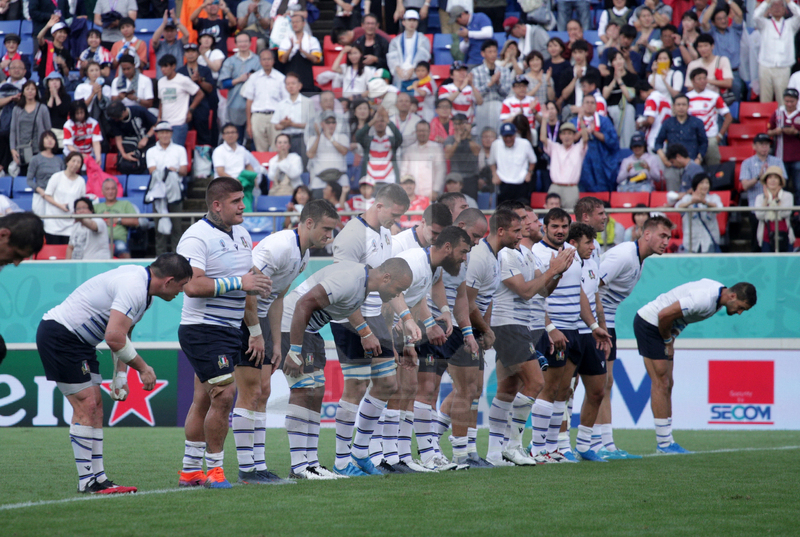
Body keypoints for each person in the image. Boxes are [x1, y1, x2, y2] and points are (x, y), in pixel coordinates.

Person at [37, 253, 192, 493]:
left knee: (96, 406)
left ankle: (98, 478)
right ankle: (86, 482)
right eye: (182, 285)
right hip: (61, 336)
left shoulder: (144, 288)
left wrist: (120, 376)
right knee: (86, 405)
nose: (181, 292)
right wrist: (143, 368)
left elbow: (123, 333)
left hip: (81, 343)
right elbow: (113, 337)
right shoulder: (134, 286)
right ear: (169, 280)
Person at [176, 178, 272, 489]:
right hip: (203, 329)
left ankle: (190, 470)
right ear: (217, 205)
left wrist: (255, 331)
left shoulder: (243, 235)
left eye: (242, 199)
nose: (243, 205)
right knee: (225, 395)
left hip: (233, 329)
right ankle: (215, 470)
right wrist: (238, 283)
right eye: (235, 201)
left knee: (203, 399)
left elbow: (250, 286)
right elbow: (192, 286)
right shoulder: (195, 238)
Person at [236, 200, 340, 482]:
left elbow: (277, 298)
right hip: (243, 321)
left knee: (264, 392)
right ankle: (248, 469)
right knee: (249, 393)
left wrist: (277, 344)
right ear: (308, 223)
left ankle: (258, 466)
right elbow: (249, 290)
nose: (329, 237)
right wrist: (256, 333)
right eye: (326, 229)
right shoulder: (280, 246)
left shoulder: (303, 255)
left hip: (263, 325)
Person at [282, 255, 413, 476]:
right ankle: (298, 466)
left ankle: (311, 464)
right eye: (398, 289)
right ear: (386, 277)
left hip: (310, 330)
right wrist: (294, 350)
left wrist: (366, 333)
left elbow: (345, 306)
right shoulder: (351, 279)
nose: (396, 295)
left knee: (316, 390)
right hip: (292, 325)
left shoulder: (362, 285)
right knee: (304, 390)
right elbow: (302, 303)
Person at [330, 183, 410, 476]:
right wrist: (363, 330)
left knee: (389, 384)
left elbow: (387, 285)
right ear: (379, 205)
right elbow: (343, 288)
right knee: (356, 386)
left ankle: (360, 453)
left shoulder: (386, 234)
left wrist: (402, 317)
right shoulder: (352, 235)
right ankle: (341, 463)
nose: (396, 221)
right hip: (351, 318)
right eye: (394, 214)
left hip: (378, 317)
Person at [486, 202, 573, 466]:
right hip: (508, 324)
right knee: (535, 383)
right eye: (528, 219)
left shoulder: (526, 253)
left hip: (523, 326)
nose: (533, 224)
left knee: (509, 388)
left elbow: (543, 291)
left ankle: (494, 451)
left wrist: (557, 273)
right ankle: (513, 446)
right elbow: (524, 291)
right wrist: (552, 270)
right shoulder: (507, 255)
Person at [382, 225, 470, 473]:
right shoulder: (415, 262)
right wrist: (409, 323)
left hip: (399, 327)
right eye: (463, 251)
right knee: (384, 389)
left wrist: (437, 316)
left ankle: (401, 457)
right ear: (447, 247)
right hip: (378, 323)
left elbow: (423, 292)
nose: (465, 258)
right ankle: (379, 456)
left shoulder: (431, 267)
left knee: (407, 388)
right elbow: (393, 292)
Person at [527, 208, 611, 463]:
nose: (560, 231)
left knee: (562, 391)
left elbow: (580, 294)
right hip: (552, 331)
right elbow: (533, 297)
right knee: (548, 388)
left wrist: (593, 325)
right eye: (555, 226)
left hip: (574, 330)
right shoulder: (536, 254)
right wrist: (551, 328)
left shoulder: (572, 256)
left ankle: (552, 448)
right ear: (545, 227)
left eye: (564, 226)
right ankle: (536, 448)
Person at [586, 214, 672, 459]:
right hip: (592, 323)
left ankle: (604, 444)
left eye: (669, 236)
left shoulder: (638, 259)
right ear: (646, 234)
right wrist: (595, 325)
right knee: (588, 385)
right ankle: (585, 444)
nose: (667, 241)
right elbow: (589, 286)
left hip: (606, 323)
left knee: (606, 383)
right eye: (662, 235)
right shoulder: (624, 255)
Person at [636, 280, 756, 453]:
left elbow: (682, 318)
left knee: (668, 383)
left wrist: (672, 337)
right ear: (732, 296)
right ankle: (663, 444)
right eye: (741, 307)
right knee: (661, 382)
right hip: (650, 324)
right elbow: (663, 315)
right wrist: (668, 341)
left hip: (662, 327)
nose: (739, 313)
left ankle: (667, 441)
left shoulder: (717, 301)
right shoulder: (705, 298)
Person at [414, 207, 486, 469]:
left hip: (447, 330)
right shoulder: (425, 254)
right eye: (473, 237)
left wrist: (467, 332)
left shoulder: (459, 261)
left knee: (465, 389)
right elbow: (416, 291)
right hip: (419, 328)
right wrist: (429, 322)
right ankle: (414, 454)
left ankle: (446, 452)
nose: (475, 245)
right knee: (421, 390)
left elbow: (459, 299)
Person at [146, 122, 188, 254]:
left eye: (167, 132)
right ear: (157, 134)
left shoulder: (180, 149)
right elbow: (152, 171)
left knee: (177, 228)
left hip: (175, 191)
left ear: (171, 133)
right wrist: (171, 171)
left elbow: (184, 170)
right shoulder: (151, 151)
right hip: (158, 193)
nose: (164, 135)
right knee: (159, 230)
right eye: (161, 132)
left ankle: (177, 258)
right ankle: (161, 259)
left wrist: (171, 171)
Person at [655, 95, 708, 190]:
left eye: (684, 104)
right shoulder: (667, 123)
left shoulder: (697, 122)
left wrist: (699, 159)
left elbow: (704, 143)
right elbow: (658, 142)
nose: (681, 107)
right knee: (673, 195)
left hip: (691, 164)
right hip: (672, 165)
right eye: (678, 104)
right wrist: (664, 159)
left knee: (692, 193)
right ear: (674, 106)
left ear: (688, 106)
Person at [754, 0, 800, 104]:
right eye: (774, 5)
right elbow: (756, 16)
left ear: (785, 10)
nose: (777, 7)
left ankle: (782, 120)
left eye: (780, 5)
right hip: (765, 66)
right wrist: (766, 2)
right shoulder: (765, 24)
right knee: (765, 101)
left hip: (783, 68)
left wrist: (789, 2)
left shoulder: (790, 24)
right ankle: (766, 121)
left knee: (783, 101)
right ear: (769, 10)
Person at [540, 110, 588, 210]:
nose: (567, 136)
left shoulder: (578, 148)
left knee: (570, 215)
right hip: (555, 186)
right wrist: (544, 119)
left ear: (574, 136)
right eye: (564, 133)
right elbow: (543, 139)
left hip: (571, 187)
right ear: (560, 136)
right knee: (551, 215)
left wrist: (581, 120)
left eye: (570, 133)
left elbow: (585, 138)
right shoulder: (555, 147)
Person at [219, 33, 261, 143]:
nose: (243, 44)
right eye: (240, 42)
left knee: (254, 141)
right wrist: (239, 79)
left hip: (254, 106)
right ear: (236, 44)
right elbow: (224, 83)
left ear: (250, 43)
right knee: (236, 140)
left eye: (245, 41)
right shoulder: (230, 61)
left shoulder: (258, 60)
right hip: (235, 105)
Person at [243, 49, 287, 152]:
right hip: (258, 116)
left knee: (278, 148)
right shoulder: (254, 78)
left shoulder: (281, 78)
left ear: (273, 61)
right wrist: (249, 124)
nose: (266, 62)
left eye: (269, 59)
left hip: (276, 116)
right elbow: (249, 101)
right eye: (264, 59)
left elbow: (285, 102)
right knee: (260, 149)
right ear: (260, 61)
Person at [686, 67, 731, 166]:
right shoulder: (687, 98)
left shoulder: (714, 96)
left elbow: (728, 116)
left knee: (713, 168)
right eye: (699, 79)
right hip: (692, 138)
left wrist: (719, 136)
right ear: (693, 81)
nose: (702, 81)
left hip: (710, 138)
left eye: (704, 78)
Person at [575, 94, 620, 193]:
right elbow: (569, 140)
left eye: (592, 103)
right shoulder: (575, 121)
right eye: (587, 102)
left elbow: (614, 142)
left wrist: (594, 132)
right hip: (581, 164)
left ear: (596, 105)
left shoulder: (604, 121)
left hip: (600, 162)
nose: (590, 105)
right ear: (582, 105)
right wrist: (583, 130)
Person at [157, 54, 204, 148]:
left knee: (174, 151)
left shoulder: (183, 80)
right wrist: (159, 117)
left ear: (173, 66)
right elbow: (162, 101)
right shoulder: (160, 82)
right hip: (165, 123)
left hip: (179, 123)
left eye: (166, 66)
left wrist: (190, 110)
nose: (163, 69)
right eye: (162, 66)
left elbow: (200, 94)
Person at [41, 152, 85, 245]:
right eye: (73, 161)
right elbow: (47, 195)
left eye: (79, 162)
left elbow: (81, 200)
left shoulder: (81, 181)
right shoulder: (56, 177)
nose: (76, 164)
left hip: (71, 224)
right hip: (53, 223)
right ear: (67, 162)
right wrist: (60, 206)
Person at [271, 72, 316, 165]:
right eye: (288, 84)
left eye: (293, 83)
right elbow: (276, 126)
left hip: (302, 138)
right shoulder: (281, 104)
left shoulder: (308, 102)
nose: (291, 86)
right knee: (284, 164)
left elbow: (311, 125)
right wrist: (284, 124)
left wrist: (292, 124)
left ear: (300, 86)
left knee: (303, 165)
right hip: (285, 139)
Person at [10, 81, 52, 176]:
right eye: (27, 89)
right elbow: (12, 131)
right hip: (22, 149)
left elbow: (48, 130)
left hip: (39, 149)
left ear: (36, 92)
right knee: (24, 177)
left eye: (33, 89)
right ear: (23, 92)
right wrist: (13, 149)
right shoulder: (17, 109)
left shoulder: (42, 108)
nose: (30, 91)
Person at [471, 39, 513, 134]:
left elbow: (506, 93)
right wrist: (490, 84)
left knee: (499, 133)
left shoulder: (504, 71)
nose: (493, 55)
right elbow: (477, 93)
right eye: (490, 52)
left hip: (499, 105)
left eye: (495, 51)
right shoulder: (476, 71)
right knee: (482, 134)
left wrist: (498, 83)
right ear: (483, 54)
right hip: (483, 105)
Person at [767, 88, 800, 206]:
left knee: (799, 188)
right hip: (780, 157)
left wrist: (796, 133)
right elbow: (768, 132)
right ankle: (783, 214)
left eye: (792, 101)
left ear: (797, 101)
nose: (789, 104)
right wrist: (777, 131)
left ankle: (798, 216)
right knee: (781, 188)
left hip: (798, 157)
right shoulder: (777, 114)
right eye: (787, 101)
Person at [307, 111, 350, 200]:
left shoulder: (342, 137)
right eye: (328, 122)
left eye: (333, 122)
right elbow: (310, 154)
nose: (331, 125)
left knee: (342, 210)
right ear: (322, 124)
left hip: (340, 180)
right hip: (320, 182)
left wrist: (330, 138)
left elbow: (344, 151)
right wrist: (319, 137)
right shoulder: (313, 139)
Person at [489, 123, 536, 204]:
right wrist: (494, 175)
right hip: (503, 184)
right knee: (503, 212)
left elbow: (533, 160)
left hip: (520, 184)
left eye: (510, 136)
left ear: (515, 135)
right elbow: (491, 162)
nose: (508, 139)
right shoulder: (496, 144)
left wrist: (530, 173)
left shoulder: (524, 144)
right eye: (505, 136)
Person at [356, 106, 403, 185]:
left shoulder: (391, 140)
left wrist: (388, 120)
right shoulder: (368, 140)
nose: (379, 123)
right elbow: (358, 136)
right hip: (370, 182)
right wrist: (373, 120)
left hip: (389, 180)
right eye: (377, 121)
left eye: (382, 121)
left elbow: (399, 138)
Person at [105, 102, 158, 173]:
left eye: (118, 118)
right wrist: (124, 154)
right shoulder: (113, 120)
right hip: (129, 146)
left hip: (147, 142)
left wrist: (146, 137)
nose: (116, 120)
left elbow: (156, 123)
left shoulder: (139, 111)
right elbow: (118, 138)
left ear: (123, 112)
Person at [277, 11, 322, 93]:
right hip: (290, 72)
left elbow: (316, 60)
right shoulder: (286, 40)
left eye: (297, 22)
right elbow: (282, 60)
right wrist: (290, 48)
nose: (295, 24)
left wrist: (302, 51)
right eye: (293, 22)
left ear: (304, 23)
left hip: (306, 77)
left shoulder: (312, 40)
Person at [95, 178, 141, 258]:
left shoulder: (125, 204)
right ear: (102, 191)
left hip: (118, 240)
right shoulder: (96, 207)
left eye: (113, 189)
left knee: (123, 250)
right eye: (107, 189)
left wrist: (117, 220)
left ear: (117, 190)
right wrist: (101, 218)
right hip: (98, 241)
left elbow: (135, 222)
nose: (110, 191)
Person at [676, 173, 722, 253]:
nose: (705, 186)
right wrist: (691, 202)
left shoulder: (713, 197)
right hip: (691, 241)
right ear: (695, 185)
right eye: (702, 183)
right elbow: (677, 208)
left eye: (707, 183)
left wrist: (705, 203)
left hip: (709, 240)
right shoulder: (687, 198)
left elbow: (719, 208)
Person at [399, 120, 445, 199]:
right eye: (419, 131)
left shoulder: (436, 149)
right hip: (412, 195)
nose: (422, 133)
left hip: (430, 194)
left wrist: (435, 190)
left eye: (424, 131)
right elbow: (403, 172)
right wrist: (405, 190)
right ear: (416, 132)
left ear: (429, 132)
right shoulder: (409, 150)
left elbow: (440, 171)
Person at [602, 50, 638, 148]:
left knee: (628, 111)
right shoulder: (608, 78)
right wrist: (614, 79)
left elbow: (630, 97)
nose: (618, 62)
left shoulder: (632, 77)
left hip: (627, 108)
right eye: (615, 60)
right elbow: (605, 95)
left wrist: (620, 81)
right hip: (612, 108)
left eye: (620, 59)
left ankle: (627, 146)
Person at [754, 166, 795, 253]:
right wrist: (766, 199)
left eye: (776, 178)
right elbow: (759, 216)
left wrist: (776, 199)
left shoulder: (787, 196)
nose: (773, 180)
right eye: (770, 178)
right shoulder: (760, 197)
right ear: (766, 181)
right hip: (766, 236)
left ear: (780, 181)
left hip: (785, 236)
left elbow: (785, 213)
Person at [386, 11, 431, 85]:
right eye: (409, 20)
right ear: (404, 22)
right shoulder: (395, 41)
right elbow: (392, 57)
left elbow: (423, 56)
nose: (412, 23)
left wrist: (413, 69)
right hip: (400, 75)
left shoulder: (423, 39)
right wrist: (398, 69)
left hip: (417, 75)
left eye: (414, 20)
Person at [27, 131, 65, 217]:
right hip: (40, 196)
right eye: (47, 138)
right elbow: (29, 180)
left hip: (55, 196)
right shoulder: (35, 159)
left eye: (52, 138)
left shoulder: (59, 160)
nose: (50, 140)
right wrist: (40, 190)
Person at [444, 115, 481, 200]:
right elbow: (447, 155)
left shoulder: (475, 137)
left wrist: (467, 137)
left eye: (460, 124)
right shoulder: (450, 139)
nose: (457, 127)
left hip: (471, 177)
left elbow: (476, 152)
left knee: (471, 203)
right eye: (455, 124)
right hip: (455, 177)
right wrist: (457, 142)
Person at [152, 11, 190, 79]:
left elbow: (187, 35)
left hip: (178, 79)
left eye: (172, 31)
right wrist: (164, 23)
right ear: (163, 32)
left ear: (176, 32)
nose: (169, 33)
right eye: (167, 31)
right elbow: (154, 40)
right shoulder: (160, 45)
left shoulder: (180, 43)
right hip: (162, 79)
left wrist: (176, 21)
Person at [638, 80, 672, 153]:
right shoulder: (664, 98)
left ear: (641, 92)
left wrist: (640, 124)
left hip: (654, 140)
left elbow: (650, 120)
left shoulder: (651, 99)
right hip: (665, 140)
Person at [36, 16, 74, 81]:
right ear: (54, 34)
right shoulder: (47, 46)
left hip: (58, 82)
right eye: (60, 32)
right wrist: (47, 26)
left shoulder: (66, 52)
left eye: (65, 33)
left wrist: (63, 64)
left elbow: (67, 74)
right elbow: (39, 37)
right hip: (44, 80)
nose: (63, 35)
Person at [390, 92, 422, 159]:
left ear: (410, 104)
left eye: (406, 101)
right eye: (401, 101)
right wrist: (408, 138)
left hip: (412, 157)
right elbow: (389, 139)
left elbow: (417, 139)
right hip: (392, 157)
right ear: (396, 104)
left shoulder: (418, 121)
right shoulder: (390, 121)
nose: (404, 103)